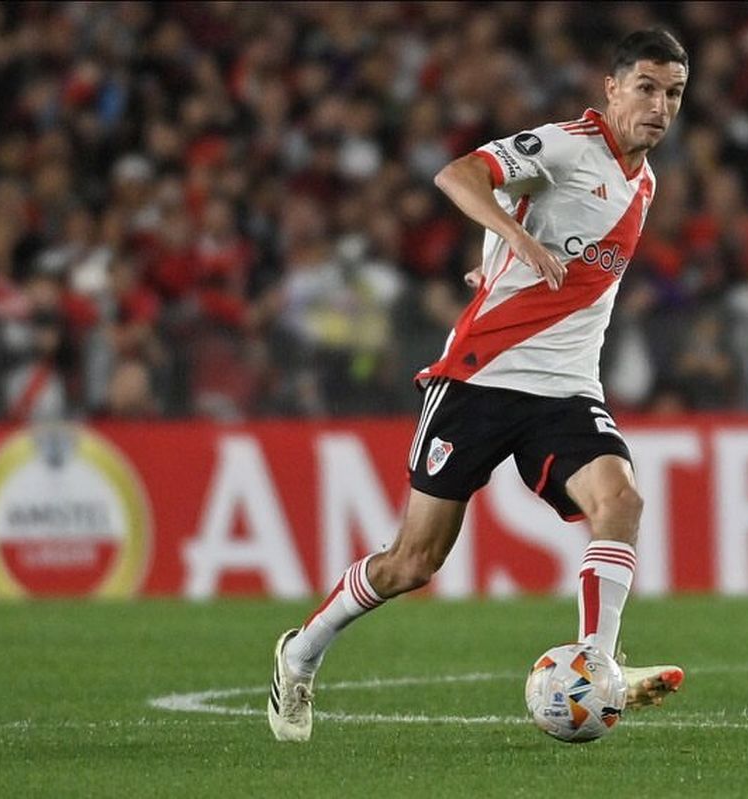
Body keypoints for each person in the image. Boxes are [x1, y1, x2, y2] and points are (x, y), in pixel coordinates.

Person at [269, 29, 690, 742]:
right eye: (646, 87)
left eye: (673, 93)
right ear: (612, 87)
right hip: (481, 379)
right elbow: (459, 175)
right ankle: (300, 652)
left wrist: (498, 256)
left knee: (620, 499)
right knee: (414, 561)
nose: (659, 105)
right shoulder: (563, 145)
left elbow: (555, 235)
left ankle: (595, 662)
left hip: (565, 387)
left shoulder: (643, 182)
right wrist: (514, 241)